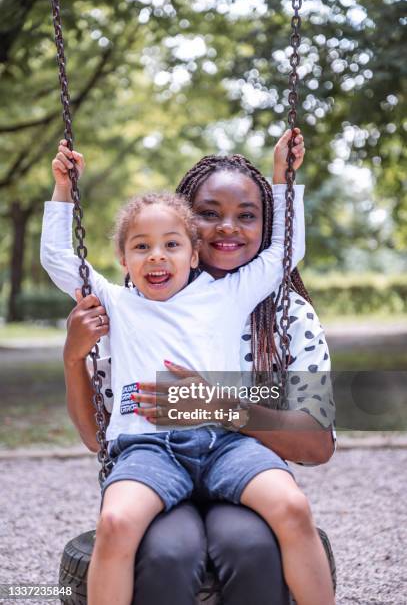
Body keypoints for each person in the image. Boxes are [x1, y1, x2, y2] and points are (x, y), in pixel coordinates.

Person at [55, 132, 336, 605]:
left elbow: (316, 441)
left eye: (246, 215)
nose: (227, 227)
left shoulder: (286, 314)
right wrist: (73, 355)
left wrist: (219, 404)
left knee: (253, 544)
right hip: (154, 458)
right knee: (167, 553)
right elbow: (97, 435)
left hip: (233, 457)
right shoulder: (131, 310)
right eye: (209, 214)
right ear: (188, 226)